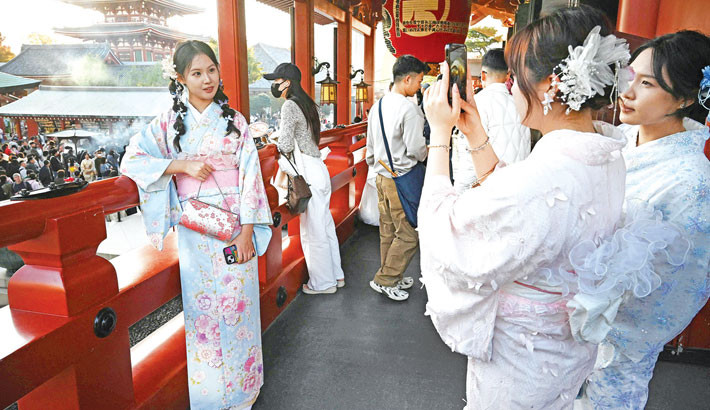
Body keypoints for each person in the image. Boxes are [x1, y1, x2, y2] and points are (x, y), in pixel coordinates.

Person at [418, 6, 651, 409]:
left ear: (549, 85)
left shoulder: (542, 178)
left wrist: (439, 133)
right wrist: (474, 132)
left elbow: (447, 233)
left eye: (516, 79)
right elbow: (521, 201)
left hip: (520, 361)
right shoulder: (606, 155)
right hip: (564, 350)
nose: (510, 89)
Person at [120, 40, 272, 410]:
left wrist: (249, 230)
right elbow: (132, 159)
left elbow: (251, 174)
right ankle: (209, 396)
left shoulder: (234, 122)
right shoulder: (169, 122)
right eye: (196, 73)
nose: (207, 79)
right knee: (203, 311)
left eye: (212, 70)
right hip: (195, 228)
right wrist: (180, 166)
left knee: (239, 304)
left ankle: (243, 390)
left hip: (236, 223)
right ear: (181, 78)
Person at [581, 31, 710, 410]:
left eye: (648, 83)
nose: (628, 90)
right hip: (564, 329)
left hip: (617, 344)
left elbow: (677, 286)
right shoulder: (617, 139)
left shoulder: (692, 182)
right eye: (629, 76)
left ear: (686, 98)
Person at [265, 62, 344, 294]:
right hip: (319, 167)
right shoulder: (308, 104)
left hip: (307, 173)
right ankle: (336, 275)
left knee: (313, 231)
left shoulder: (289, 105)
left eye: (277, 81)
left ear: (287, 82)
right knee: (325, 226)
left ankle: (323, 283)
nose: (275, 85)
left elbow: (287, 144)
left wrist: (273, 141)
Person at [365, 54, 427, 301]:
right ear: (408, 79)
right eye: (420, 81)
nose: (420, 86)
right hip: (401, 178)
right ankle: (386, 279)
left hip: (381, 176)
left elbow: (370, 148)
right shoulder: (409, 109)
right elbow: (416, 149)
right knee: (410, 233)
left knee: (388, 231)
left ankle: (390, 273)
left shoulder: (378, 105)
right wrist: (423, 157)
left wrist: (379, 167)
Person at [451, 48, 531, 192]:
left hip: (489, 189)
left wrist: (459, 190)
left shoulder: (476, 104)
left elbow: (469, 154)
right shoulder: (520, 104)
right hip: (520, 186)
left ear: (483, 74)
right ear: (508, 75)